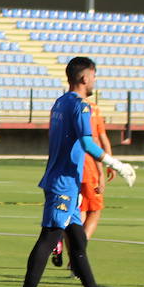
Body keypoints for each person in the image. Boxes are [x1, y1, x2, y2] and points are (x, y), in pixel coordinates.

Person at [13, 57, 135, 287]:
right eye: (93, 75)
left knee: (78, 242)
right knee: (49, 238)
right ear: (84, 78)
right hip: (63, 183)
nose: (94, 81)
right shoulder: (81, 106)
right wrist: (117, 164)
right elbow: (88, 144)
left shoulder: (60, 102)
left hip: (64, 180)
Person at [53, 93, 114, 270]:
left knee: (76, 213)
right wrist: (106, 166)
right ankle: (78, 255)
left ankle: (63, 244)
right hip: (89, 167)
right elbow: (99, 139)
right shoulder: (92, 108)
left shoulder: (62, 105)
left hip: (69, 167)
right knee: (94, 211)